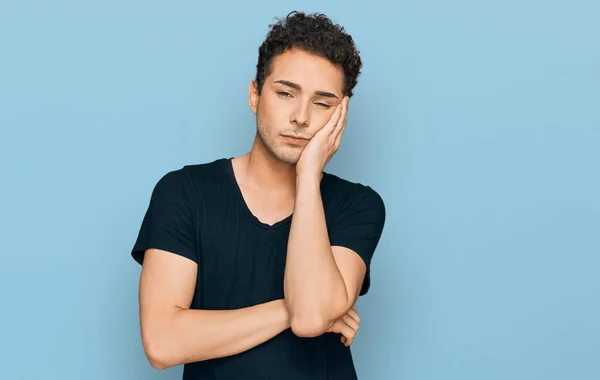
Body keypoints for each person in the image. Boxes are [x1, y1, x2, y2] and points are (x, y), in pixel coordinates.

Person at [130, 11, 386, 380]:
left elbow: (312, 317)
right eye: (286, 93)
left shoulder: (358, 205)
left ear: (341, 114)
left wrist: (309, 175)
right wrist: (289, 309)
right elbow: (162, 343)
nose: (301, 117)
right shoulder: (184, 192)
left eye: (322, 103)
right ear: (255, 94)